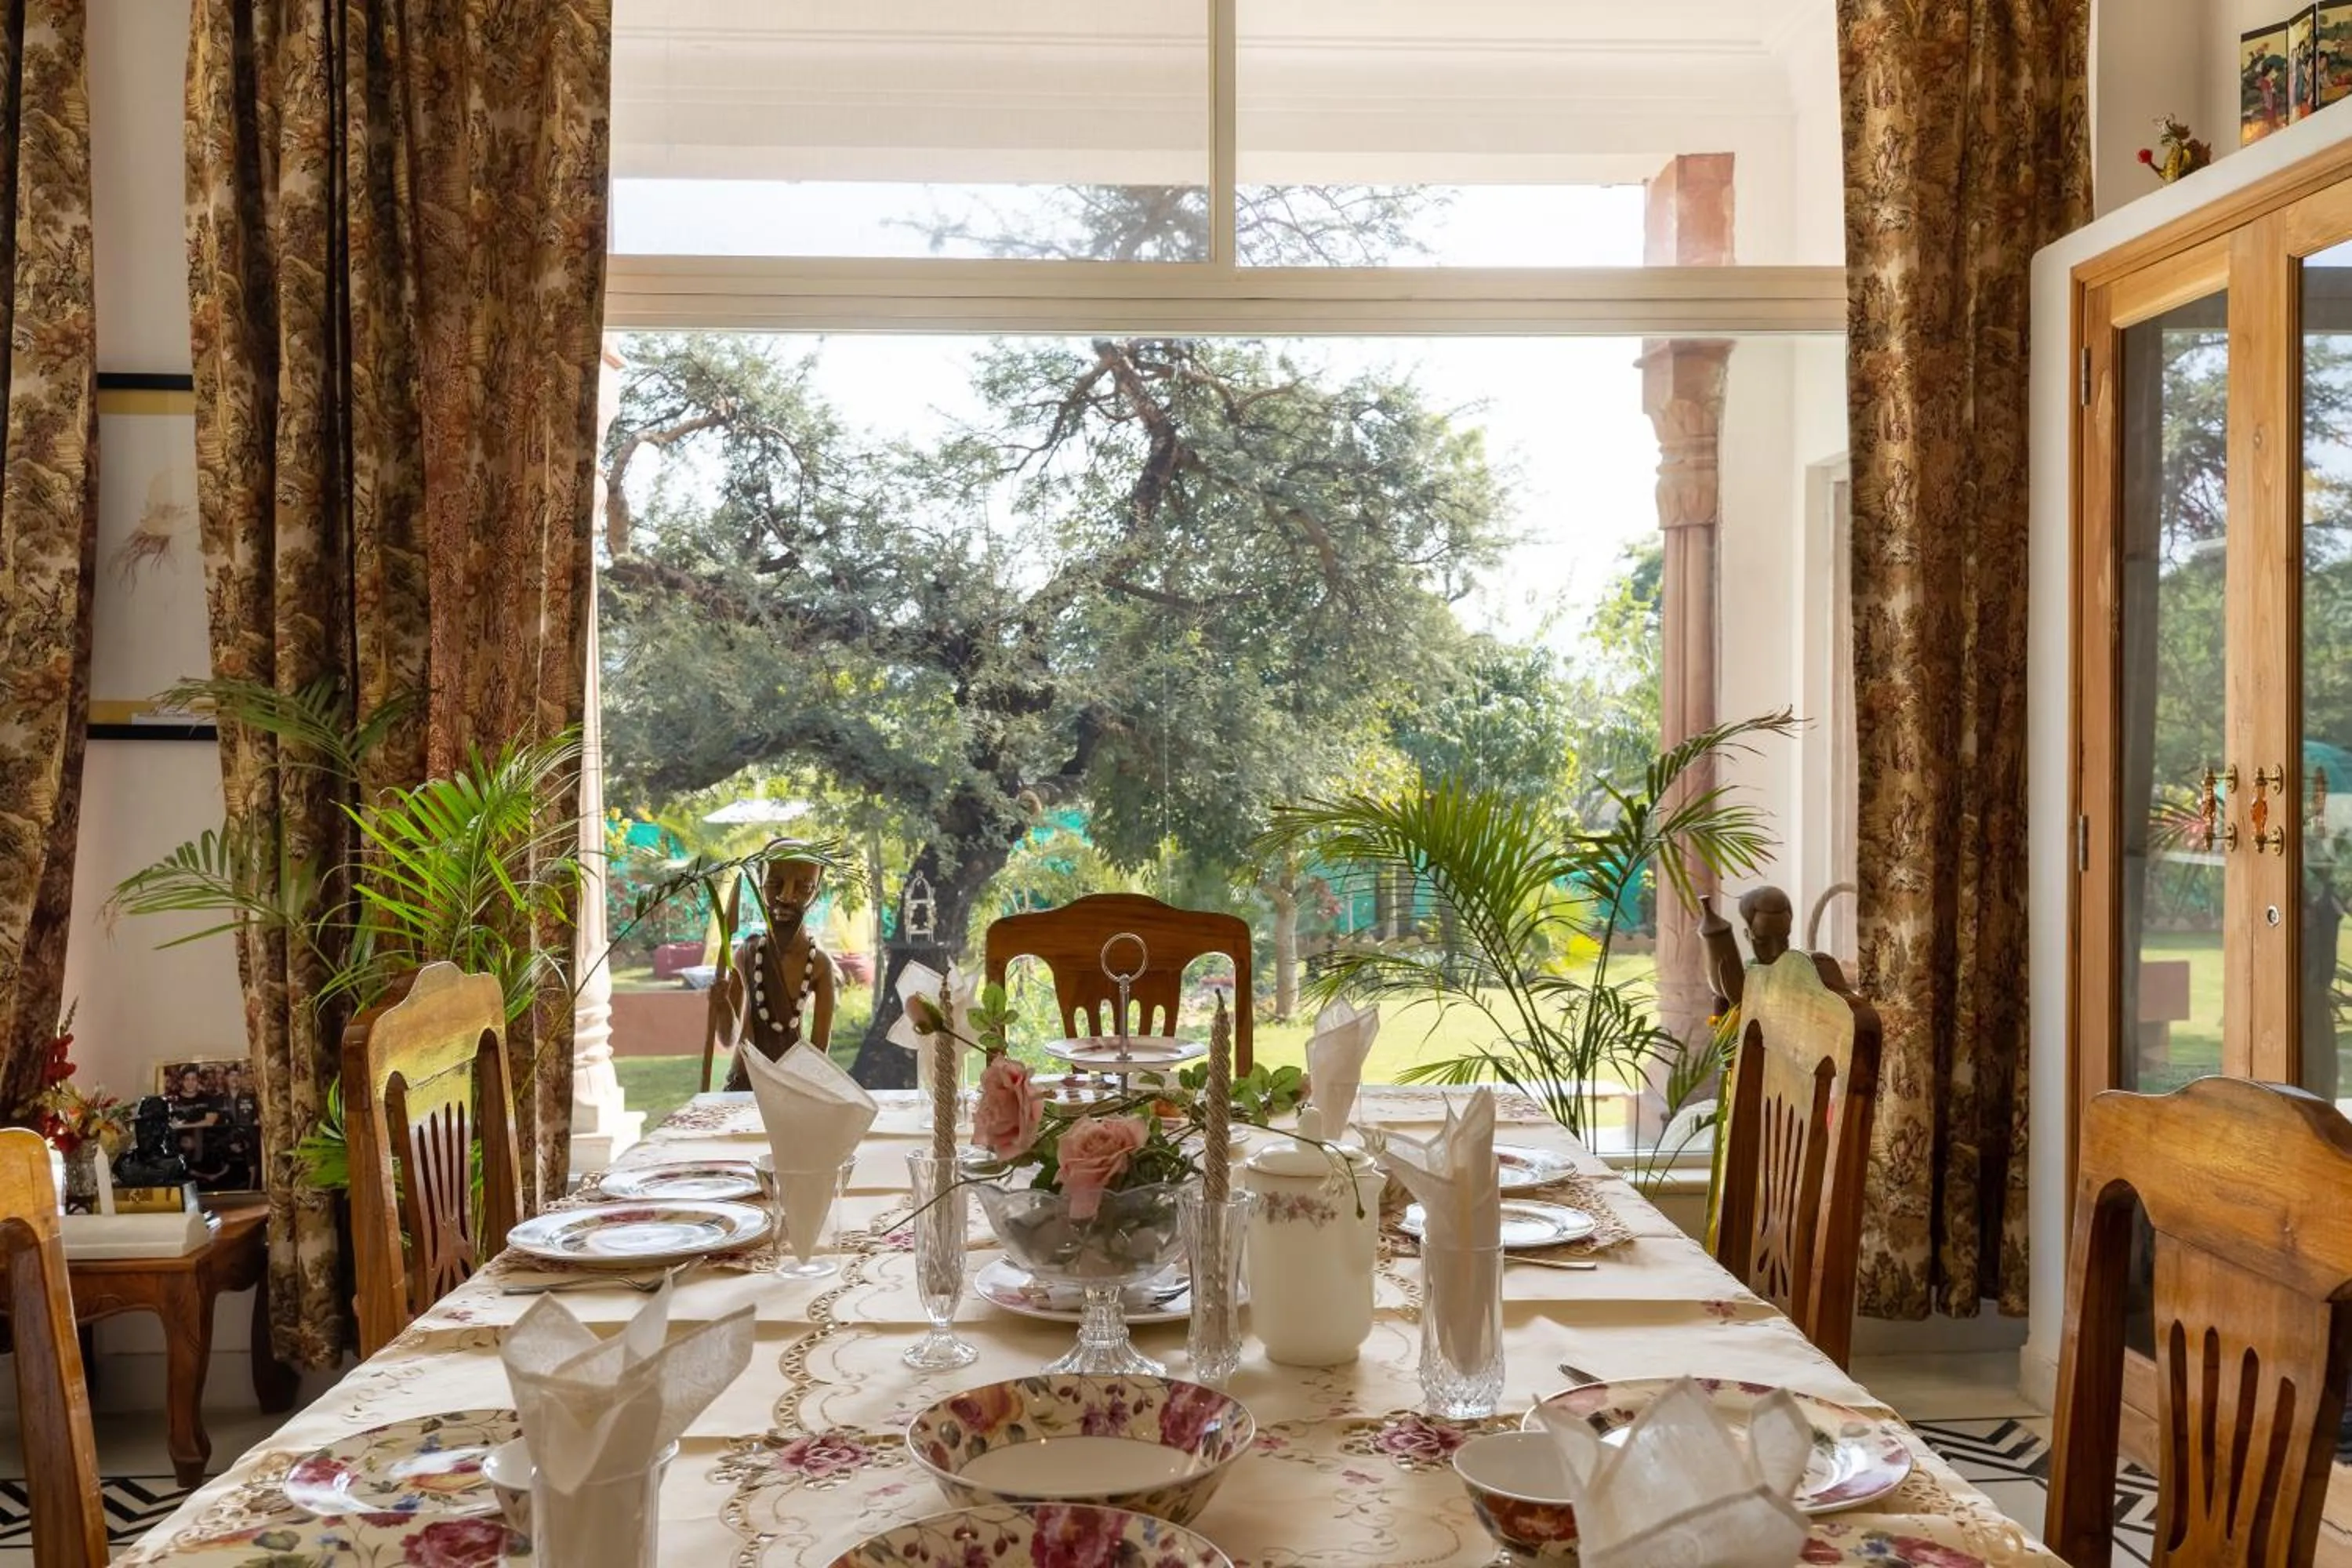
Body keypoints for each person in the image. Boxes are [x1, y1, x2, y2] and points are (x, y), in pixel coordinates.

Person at [716, 845, 839, 1090]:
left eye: (803, 887)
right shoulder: (746, 954)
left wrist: (806, 1089)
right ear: (761, 885)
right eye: (775, 884)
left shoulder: (820, 965)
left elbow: (819, 1049)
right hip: (744, 1079)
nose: (786, 896)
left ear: (815, 893)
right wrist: (721, 1004)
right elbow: (728, 1037)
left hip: (794, 1084)